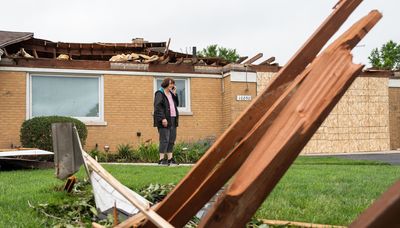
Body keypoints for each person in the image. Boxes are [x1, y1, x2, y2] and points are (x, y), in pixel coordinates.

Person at [153, 77, 179, 165]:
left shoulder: (171, 94)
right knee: (164, 139)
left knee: (172, 139)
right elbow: (157, 107)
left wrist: (175, 94)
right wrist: (163, 118)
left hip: (173, 118)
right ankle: (161, 160)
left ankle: (170, 159)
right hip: (164, 119)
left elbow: (177, 104)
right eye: (171, 83)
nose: (172, 85)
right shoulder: (159, 93)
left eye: (173, 84)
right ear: (166, 84)